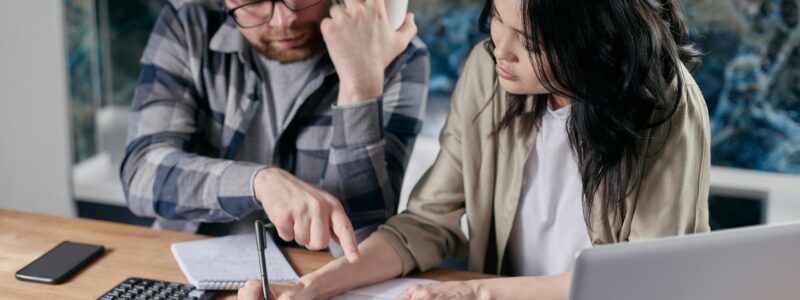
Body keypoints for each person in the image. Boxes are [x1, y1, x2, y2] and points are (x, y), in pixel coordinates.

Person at [238, 0, 711, 298]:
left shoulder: (665, 102)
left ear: (590, 41)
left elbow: (648, 279)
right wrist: (311, 288)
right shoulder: (488, 71)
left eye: (526, 41)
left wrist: (474, 294)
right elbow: (426, 222)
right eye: (497, 22)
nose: (500, 49)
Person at [120, 0, 428, 261]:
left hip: (318, 281)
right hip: (186, 261)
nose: (284, 19)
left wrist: (359, 87)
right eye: (253, 2)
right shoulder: (190, 23)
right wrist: (259, 183)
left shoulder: (398, 54)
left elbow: (361, 244)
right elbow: (141, 176)